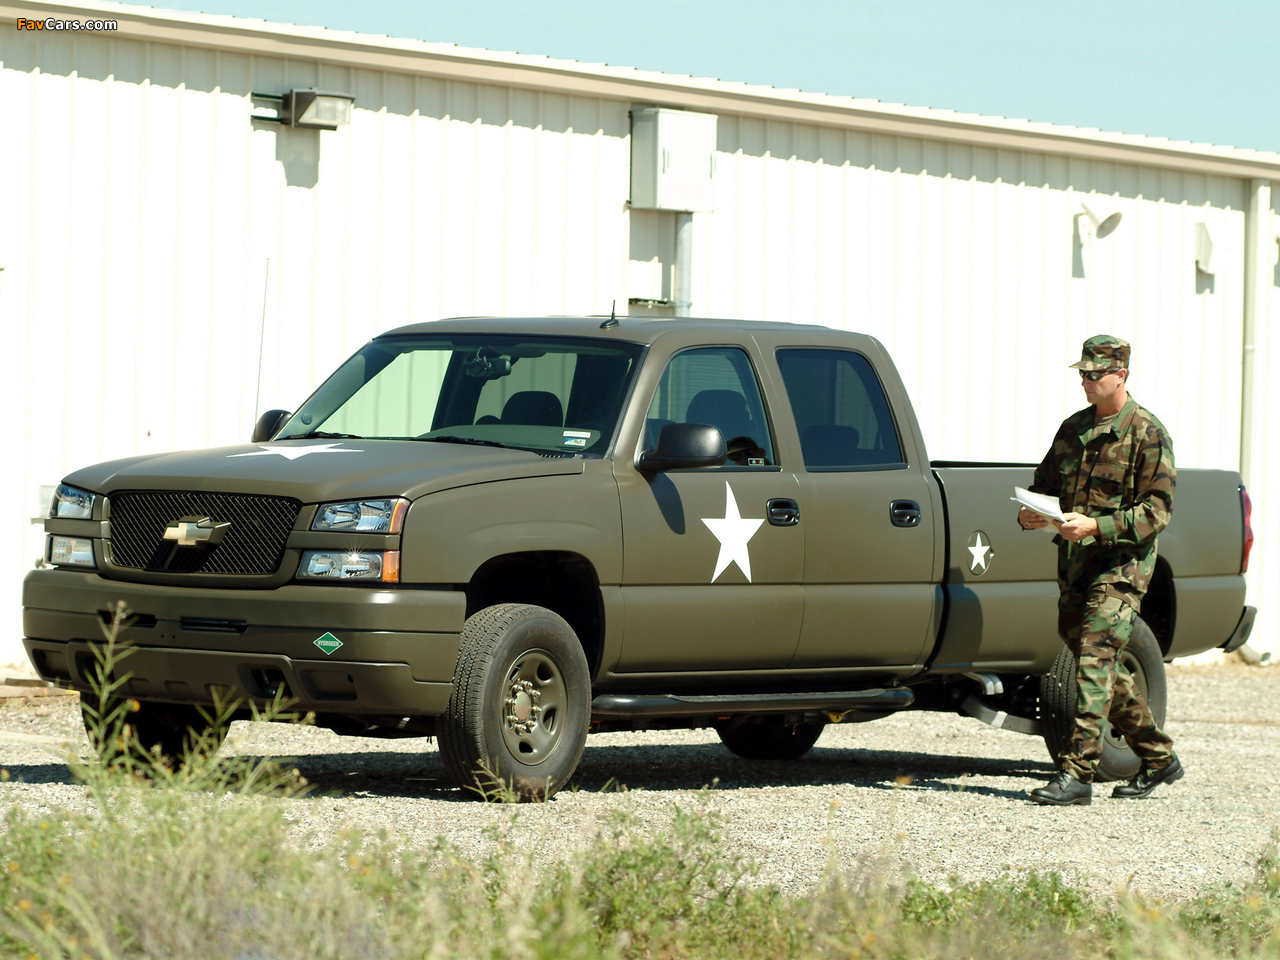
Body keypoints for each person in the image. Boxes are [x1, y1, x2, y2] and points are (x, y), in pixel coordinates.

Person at [1019, 335, 1182, 806]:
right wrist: (1033, 513)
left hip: (1121, 567)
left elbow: (1157, 512)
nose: (1086, 382)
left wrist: (1097, 526)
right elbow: (1045, 486)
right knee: (1102, 666)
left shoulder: (1148, 433)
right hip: (1076, 567)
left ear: (1120, 375)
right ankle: (1159, 757)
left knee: (1093, 660)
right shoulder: (1073, 429)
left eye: (1095, 374)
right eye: (1083, 374)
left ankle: (1078, 775)